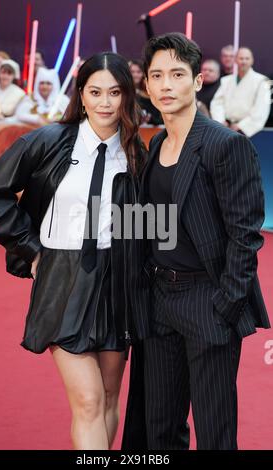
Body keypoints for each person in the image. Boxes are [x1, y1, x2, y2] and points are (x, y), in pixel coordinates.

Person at [0, 52, 146, 450]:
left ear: (127, 97)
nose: (105, 102)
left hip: (116, 280)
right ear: (81, 95)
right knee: (87, 401)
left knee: (107, 398)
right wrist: (31, 250)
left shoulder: (137, 151)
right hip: (63, 277)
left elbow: (145, 223)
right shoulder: (50, 141)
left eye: (115, 92)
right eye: (95, 92)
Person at [123, 32, 270, 450]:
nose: (166, 85)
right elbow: (155, 224)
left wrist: (227, 302)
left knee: (214, 430)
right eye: (157, 76)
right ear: (146, 86)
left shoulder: (225, 145)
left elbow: (246, 234)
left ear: (197, 80)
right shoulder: (155, 146)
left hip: (208, 300)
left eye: (176, 74)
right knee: (160, 430)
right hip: (160, 301)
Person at [211, 47, 271, 137]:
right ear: (235, 60)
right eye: (241, 58)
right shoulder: (226, 80)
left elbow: (261, 109)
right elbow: (217, 102)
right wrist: (220, 121)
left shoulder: (262, 81)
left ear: (252, 61)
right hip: (225, 128)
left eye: (247, 58)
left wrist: (240, 126)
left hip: (248, 130)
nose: (244, 61)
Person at [129, 59, 163, 126]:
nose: (135, 75)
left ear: (143, 74)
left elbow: (158, 117)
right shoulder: (124, 91)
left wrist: (149, 119)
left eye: (138, 72)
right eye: (132, 72)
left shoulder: (150, 90)